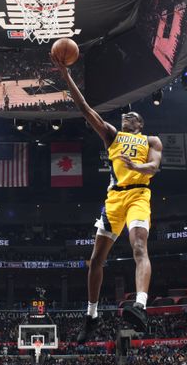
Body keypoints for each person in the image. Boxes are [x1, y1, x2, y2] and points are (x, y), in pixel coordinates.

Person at [52, 55, 163, 342]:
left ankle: (140, 305)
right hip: (114, 200)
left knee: (139, 246)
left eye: (132, 116)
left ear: (140, 123)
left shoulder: (151, 141)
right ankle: (92, 314)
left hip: (139, 194)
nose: (127, 116)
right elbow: (84, 108)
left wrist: (137, 167)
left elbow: (154, 166)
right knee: (95, 260)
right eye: (125, 116)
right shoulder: (112, 135)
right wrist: (65, 75)